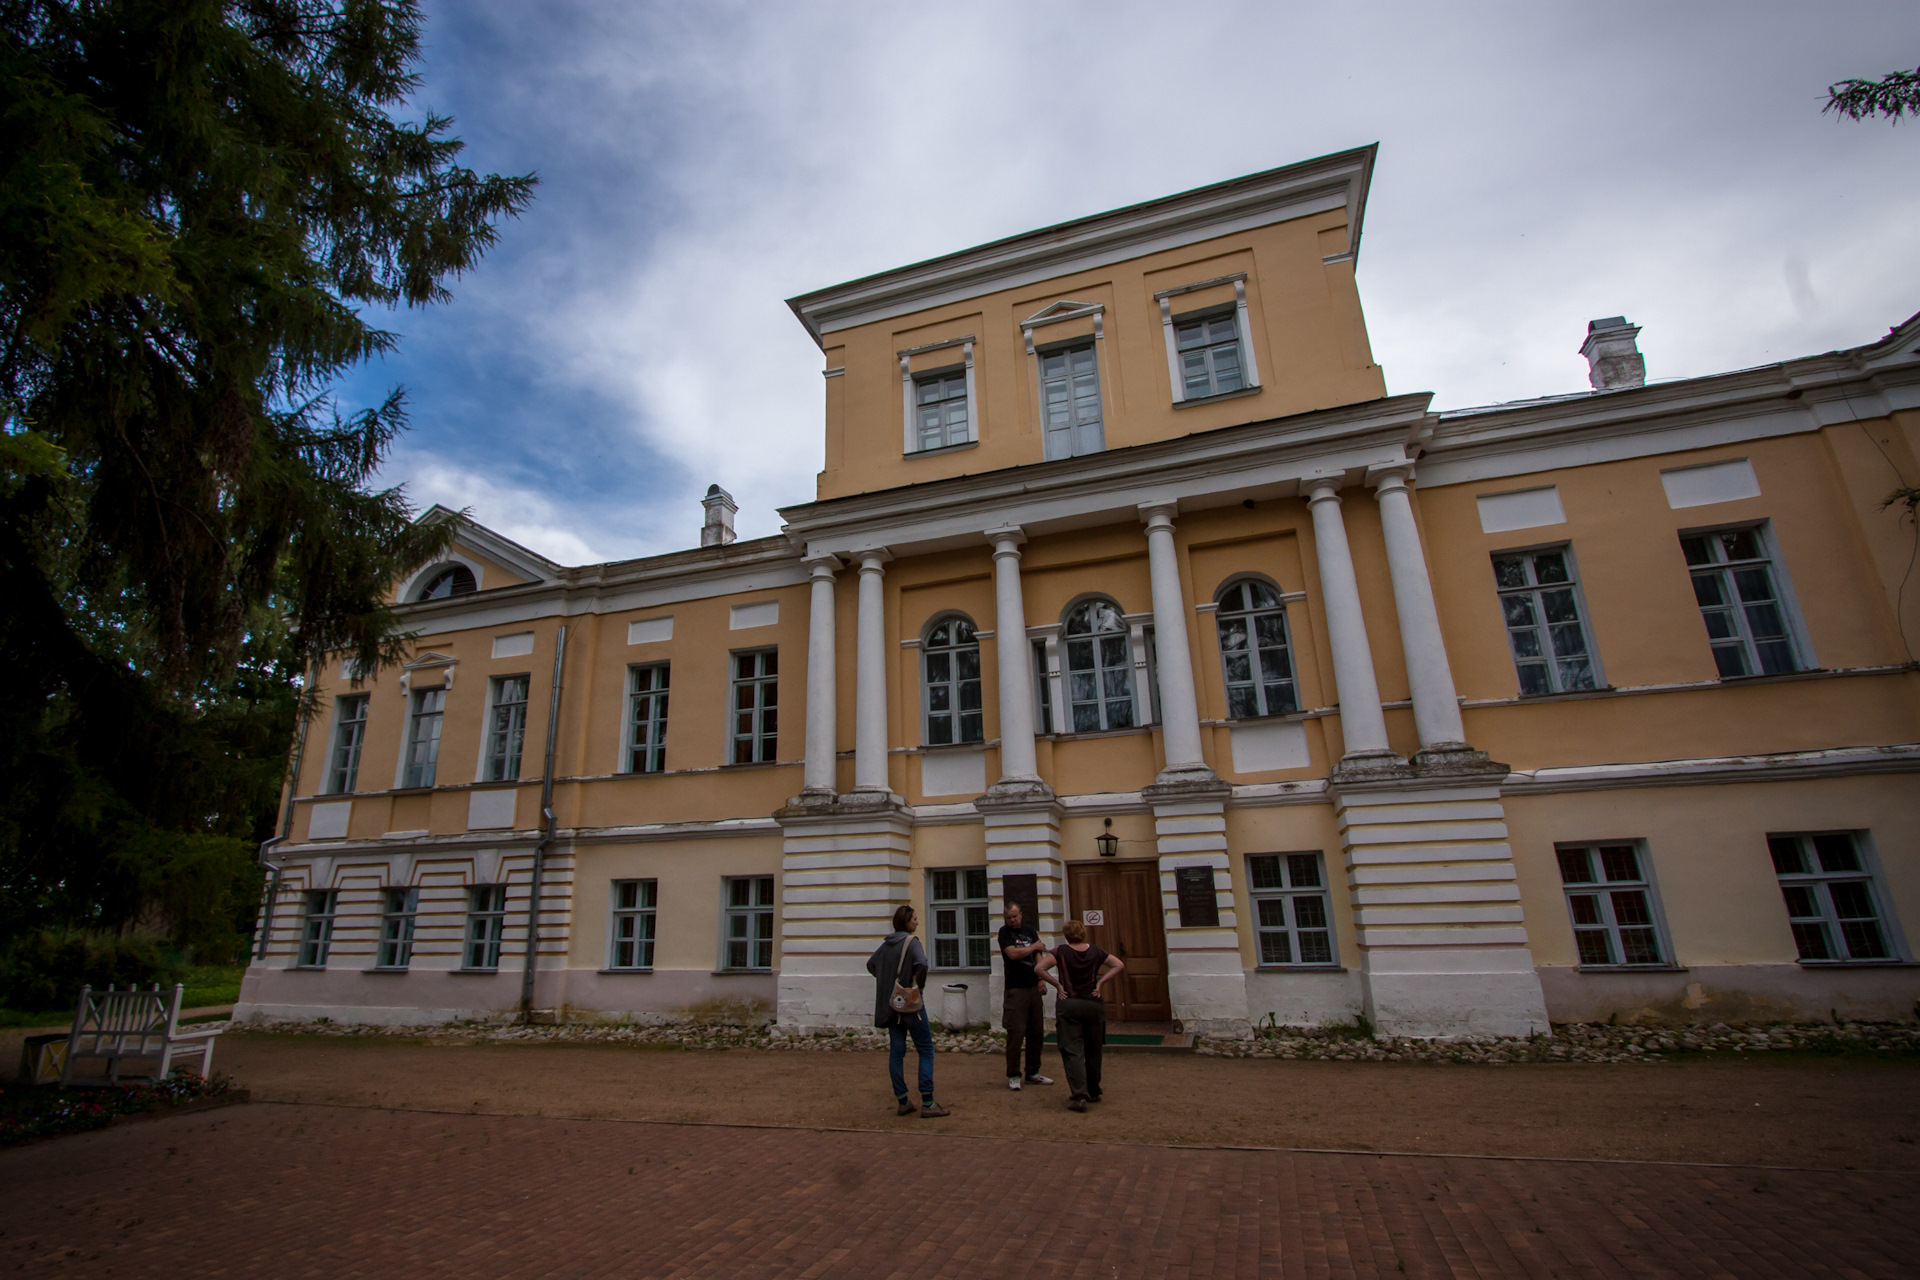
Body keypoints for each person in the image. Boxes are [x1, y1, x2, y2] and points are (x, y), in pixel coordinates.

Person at [866, 905, 950, 1118]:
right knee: (926, 1049)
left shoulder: (886, 945)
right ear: (905, 921)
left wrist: (887, 981)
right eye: (914, 919)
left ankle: (903, 1101)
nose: (917, 922)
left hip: (893, 1005)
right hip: (911, 1005)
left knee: (896, 1052)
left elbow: (871, 965)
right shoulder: (911, 943)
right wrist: (915, 986)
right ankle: (928, 1103)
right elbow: (922, 964)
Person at [1046, 918, 1123, 1112]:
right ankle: (1094, 1090)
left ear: (1066, 935)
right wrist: (1100, 983)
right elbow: (1118, 964)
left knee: (1072, 1050)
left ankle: (1079, 1095)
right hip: (1093, 1004)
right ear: (1083, 933)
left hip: (1069, 1003)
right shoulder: (1096, 951)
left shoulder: (1060, 951)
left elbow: (1039, 968)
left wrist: (1057, 985)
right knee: (1093, 1049)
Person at [996, 902, 1054, 1090]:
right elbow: (1013, 953)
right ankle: (1013, 1074)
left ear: (1021, 914)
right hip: (1015, 988)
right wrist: (1033, 947)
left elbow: (1039, 956)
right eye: (1008, 917)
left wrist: (1041, 978)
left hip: (1033, 987)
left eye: (1015, 916)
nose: (1012, 920)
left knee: (1036, 1032)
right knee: (1016, 1033)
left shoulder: (1030, 931)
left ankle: (1033, 1072)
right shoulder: (1004, 933)